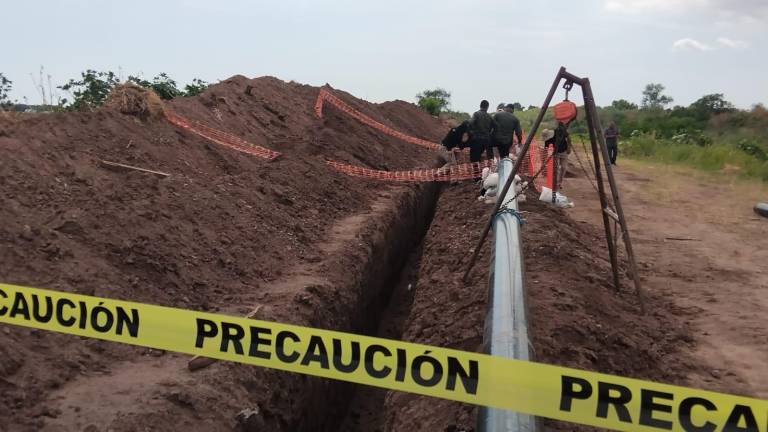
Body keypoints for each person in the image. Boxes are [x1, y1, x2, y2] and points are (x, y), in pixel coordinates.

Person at [543, 121, 572, 188]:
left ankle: (560, 182)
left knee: (563, 167)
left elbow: (569, 138)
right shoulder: (547, 141)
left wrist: (569, 148)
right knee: (556, 168)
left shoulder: (558, 131)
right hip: (556, 153)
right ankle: (555, 182)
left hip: (564, 152)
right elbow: (546, 150)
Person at [468, 100, 495, 165]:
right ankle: (488, 172)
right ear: (487, 107)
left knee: (474, 159)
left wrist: (471, 133)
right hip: (487, 140)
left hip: (477, 139)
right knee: (489, 159)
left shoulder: (476, 114)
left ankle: (476, 174)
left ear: (480, 106)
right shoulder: (490, 117)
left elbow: (470, 123)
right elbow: (493, 127)